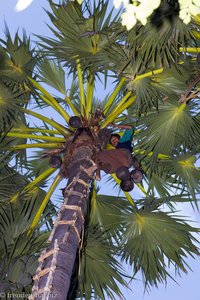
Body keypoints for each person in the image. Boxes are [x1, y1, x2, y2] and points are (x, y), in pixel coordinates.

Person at [97, 123, 143, 191]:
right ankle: (97, 169)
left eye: (115, 139)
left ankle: (97, 170)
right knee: (108, 167)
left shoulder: (123, 142)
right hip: (122, 164)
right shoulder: (112, 153)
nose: (114, 141)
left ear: (119, 139)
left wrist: (115, 126)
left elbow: (130, 128)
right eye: (112, 141)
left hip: (124, 159)